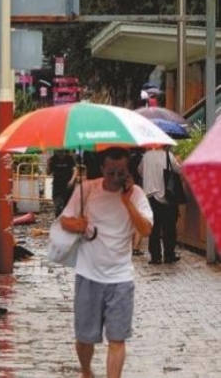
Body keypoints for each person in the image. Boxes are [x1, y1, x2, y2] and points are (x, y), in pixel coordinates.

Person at [60, 147, 153, 378]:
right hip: (88, 275)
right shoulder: (87, 190)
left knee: (117, 338)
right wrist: (77, 225)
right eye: (111, 172)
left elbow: (146, 229)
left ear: (127, 171)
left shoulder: (136, 194)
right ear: (102, 169)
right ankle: (86, 371)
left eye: (120, 172)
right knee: (84, 338)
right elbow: (65, 221)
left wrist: (127, 201)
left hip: (120, 278)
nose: (115, 177)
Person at [138, 147, 182, 265]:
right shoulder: (169, 155)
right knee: (169, 227)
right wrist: (178, 161)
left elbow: (140, 171)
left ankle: (155, 256)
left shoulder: (146, 156)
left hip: (150, 197)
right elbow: (178, 170)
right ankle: (169, 255)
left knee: (154, 228)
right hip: (166, 196)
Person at [47, 150, 76, 217]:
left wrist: (72, 181)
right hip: (57, 185)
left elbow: (75, 170)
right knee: (58, 206)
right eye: (59, 152)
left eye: (62, 152)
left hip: (68, 185)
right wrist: (48, 164)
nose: (60, 154)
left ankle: (66, 221)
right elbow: (48, 173)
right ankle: (58, 221)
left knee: (68, 205)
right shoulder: (53, 159)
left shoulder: (69, 158)